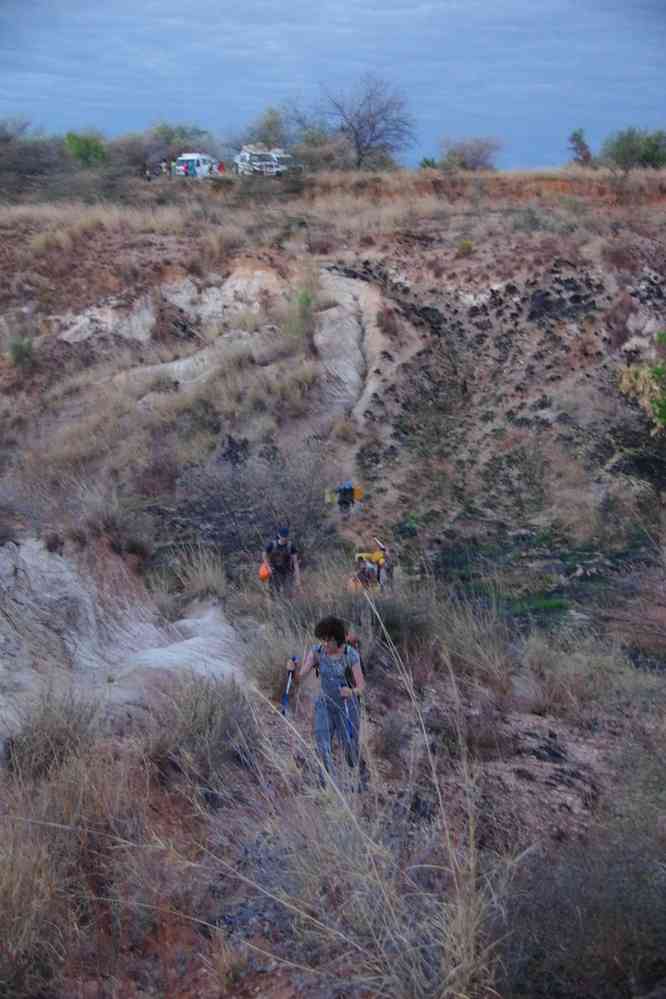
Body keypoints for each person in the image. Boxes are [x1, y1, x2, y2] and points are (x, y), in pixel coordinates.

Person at [290, 616, 367, 789]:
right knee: (322, 742)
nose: (324, 643)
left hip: (347, 706)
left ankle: (360, 774)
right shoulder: (317, 651)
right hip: (325, 704)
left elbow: (361, 686)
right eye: (322, 639)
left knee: (349, 746)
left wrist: (351, 691)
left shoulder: (350, 655)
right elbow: (299, 679)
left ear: (337, 640)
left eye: (328, 640)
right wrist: (293, 669)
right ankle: (326, 783)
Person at [264, 526, 301, 595]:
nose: (284, 538)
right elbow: (264, 555)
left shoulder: (291, 546)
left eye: (286, 536)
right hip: (274, 572)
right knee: (273, 592)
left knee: (288, 592)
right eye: (283, 536)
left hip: (287, 571)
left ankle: (286, 604)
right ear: (279, 535)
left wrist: (298, 578)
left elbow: (295, 562)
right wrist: (268, 567)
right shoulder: (272, 545)